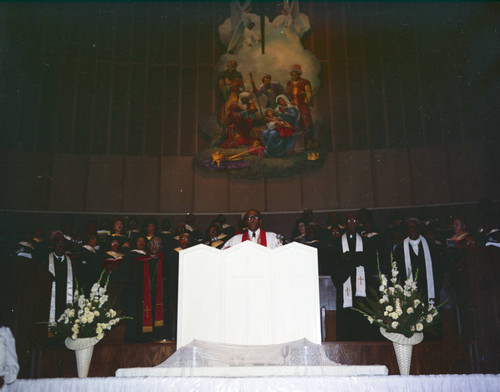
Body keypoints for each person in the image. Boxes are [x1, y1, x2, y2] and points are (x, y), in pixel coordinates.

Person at [330, 213, 379, 341]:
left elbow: (371, 264)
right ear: (344, 224)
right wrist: (355, 260)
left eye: (354, 220)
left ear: (358, 223)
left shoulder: (367, 242)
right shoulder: (336, 244)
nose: (351, 223)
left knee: (364, 326)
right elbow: (334, 268)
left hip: (362, 292)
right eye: (348, 220)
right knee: (346, 327)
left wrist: (349, 259)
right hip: (345, 291)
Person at [393, 218, 444, 305]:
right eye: (409, 228)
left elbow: (438, 269)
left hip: (428, 289)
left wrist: (435, 287)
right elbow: (397, 272)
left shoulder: (431, 245)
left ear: (419, 229)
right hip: (409, 291)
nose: (412, 230)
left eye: (414, 227)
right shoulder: (400, 249)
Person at [133, 237, 170, 342]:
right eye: (153, 243)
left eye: (158, 244)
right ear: (148, 245)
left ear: (161, 246)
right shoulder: (140, 262)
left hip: (161, 297)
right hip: (144, 297)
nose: (155, 246)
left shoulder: (166, 261)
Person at [45, 233, 74, 327]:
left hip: (65, 295)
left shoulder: (71, 261)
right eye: (58, 244)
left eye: (62, 245)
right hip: (50, 296)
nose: (60, 247)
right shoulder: (46, 260)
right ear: (53, 246)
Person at [285, 64, 315, 148]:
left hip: (302, 104)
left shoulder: (305, 82)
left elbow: (309, 94)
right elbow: (287, 94)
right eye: (293, 74)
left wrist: (304, 94)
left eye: (296, 74)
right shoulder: (289, 83)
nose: (294, 76)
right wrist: (289, 101)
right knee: (294, 123)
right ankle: (295, 143)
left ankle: (309, 141)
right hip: (292, 106)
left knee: (306, 121)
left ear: (299, 74)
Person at [217, 60, 245, 127]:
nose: (232, 67)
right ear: (228, 66)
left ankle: (236, 125)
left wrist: (238, 86)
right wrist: (228, 88)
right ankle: (226, 126)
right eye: (230, 65)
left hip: (236, 95)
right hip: (227, 95)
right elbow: (221, 86)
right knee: (227, 111)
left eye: (234, 66)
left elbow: (241, 84)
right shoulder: (223, 74)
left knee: (236, 109)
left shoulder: (238, 74)